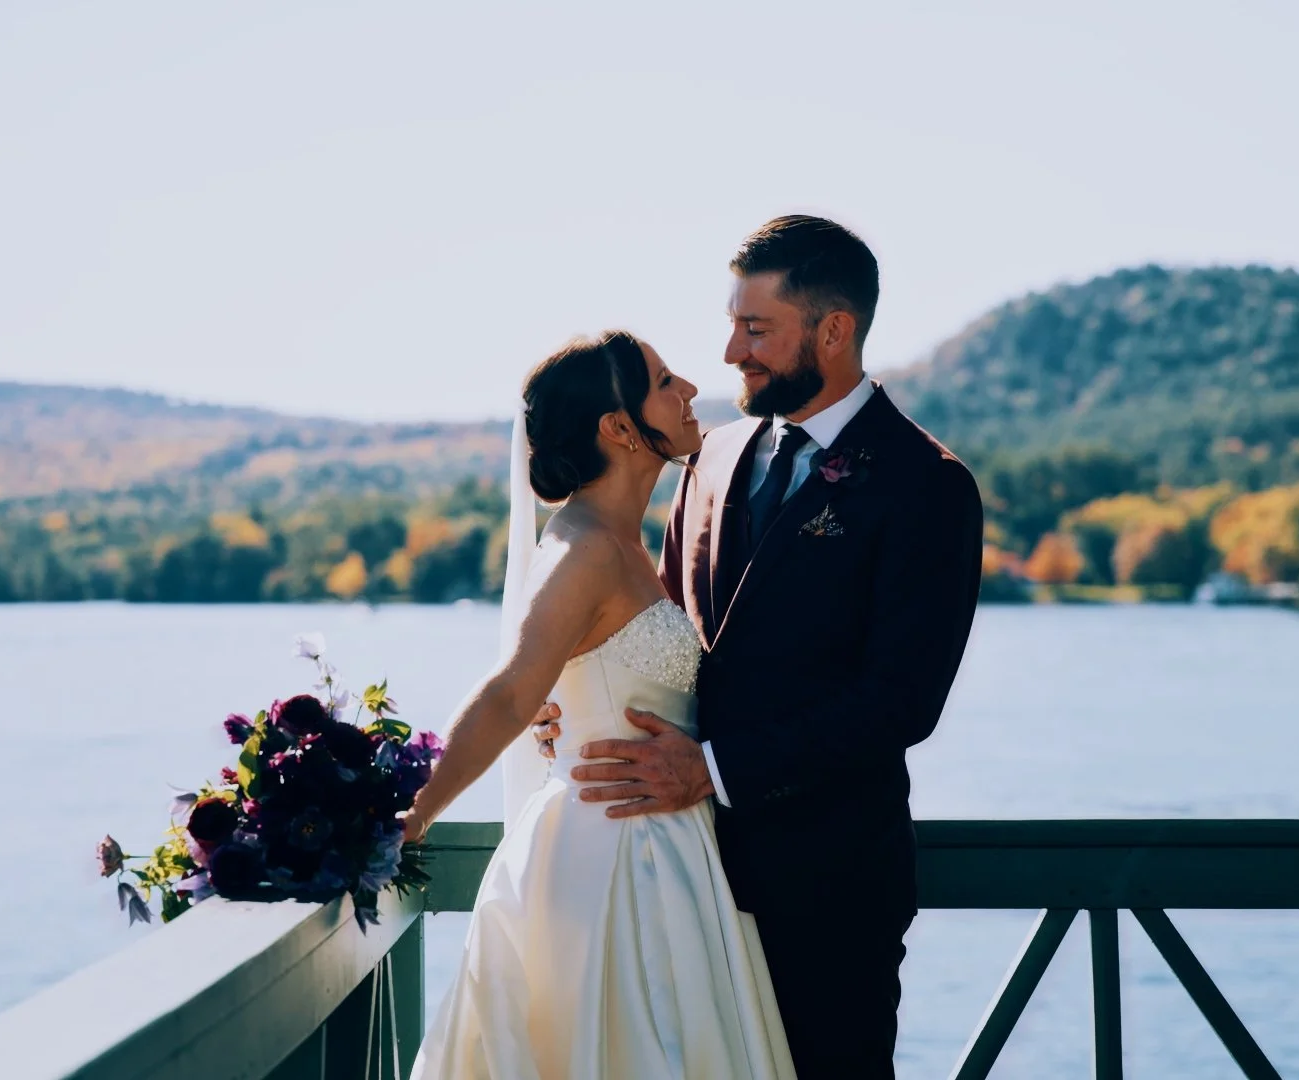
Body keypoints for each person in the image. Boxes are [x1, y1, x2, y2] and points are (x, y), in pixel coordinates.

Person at [536, 216, 985, 1078]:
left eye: (757, 329)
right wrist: (574, 700)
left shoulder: (925, 484)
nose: (733, 351)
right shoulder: (709, 460)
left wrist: (714, 769)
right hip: (674, 874)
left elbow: (901, 699)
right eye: (733, 322)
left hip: (829, 884)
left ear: (834, 330)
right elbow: (656, 628)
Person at [403, 329, 795, 1079]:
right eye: (661, 381)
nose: (687, 388)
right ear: (618, 427)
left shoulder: (627, 543)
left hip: (672, 847)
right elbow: (511, 691)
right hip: (614, 857)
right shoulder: (584, 549)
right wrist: (416, 812)